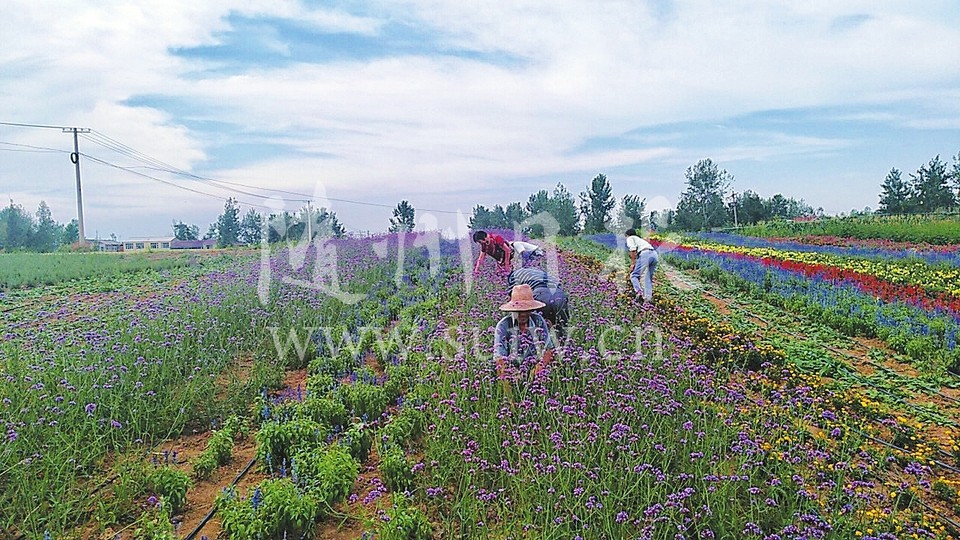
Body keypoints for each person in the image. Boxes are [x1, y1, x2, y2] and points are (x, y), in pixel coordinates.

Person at [494, 284, 555, 377]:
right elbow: (500, 359)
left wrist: (537, 371)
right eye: (519, 311)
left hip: (535, 368)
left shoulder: (538, 320)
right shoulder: (503, 325)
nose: (523, 314)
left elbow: (548, 350)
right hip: (511, 370)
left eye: (526, 310)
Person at [507, 267, 570, 338]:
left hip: (540, 293)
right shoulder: (540, 272)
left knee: (539, 330)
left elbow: (516, 298)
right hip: (559, 294)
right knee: (561, 329)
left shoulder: (513, 276)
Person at [625, 228, 658, 304]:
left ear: (627, 235)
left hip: (645, 254)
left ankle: (639, 292)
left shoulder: (630, 238)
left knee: (634, 275)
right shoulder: (640, 240)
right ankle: (648, 299)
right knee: (648, 278)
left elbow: (632, 250)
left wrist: (633, 264)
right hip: (654, 255)